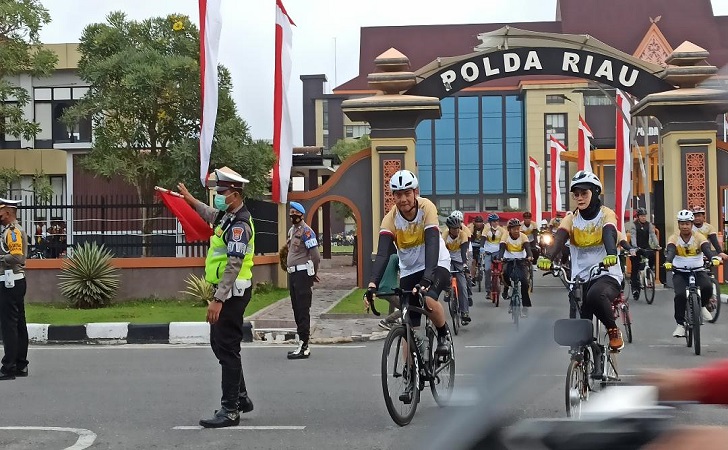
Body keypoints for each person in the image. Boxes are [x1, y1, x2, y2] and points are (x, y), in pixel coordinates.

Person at [177, 167, 256, 428]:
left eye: (222, 193)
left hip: (232, 293)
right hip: (227, 292)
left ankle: (230, 409)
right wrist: (190, 199)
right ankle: (240, 397)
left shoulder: (240, 225)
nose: (218, 197)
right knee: (220, 344)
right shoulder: (228, 217)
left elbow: (234, 263)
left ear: (234, 194)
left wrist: (219, 299)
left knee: (227, 347)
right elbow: (210, 214)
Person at [366, 170, 452, 368]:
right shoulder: (390, 219)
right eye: (398, 194)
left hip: (437, 262)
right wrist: (372, 285)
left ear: (415, 192)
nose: (403, 199)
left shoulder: (426, 207)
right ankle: (409, 375)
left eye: (407, 193)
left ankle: (442, 335)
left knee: (429, 298)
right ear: (393, 196)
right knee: (408, 324)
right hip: (409, 269)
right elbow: (382, 255)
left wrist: (427, 278)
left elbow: (431, 243)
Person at [537, 170, 625, 351]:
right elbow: (560, 238)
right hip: (579, 278)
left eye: (584, 193)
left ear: (595, 192)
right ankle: (587, 358)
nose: (580, 198)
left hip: (606, 274)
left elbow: (609, 232)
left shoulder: (606, 214)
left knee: (595, 296)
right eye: (576, 194)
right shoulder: (571, 219)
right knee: (578, 323)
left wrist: (610, 254)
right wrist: (547, 257)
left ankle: (613, 330)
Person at [663, 209, 721, 338]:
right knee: (680, 295)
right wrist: (668, 261)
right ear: (678, 224)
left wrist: (713, 258)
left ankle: (702, 305)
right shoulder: (674, 237)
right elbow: (671, 251)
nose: (685, 226)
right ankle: (680, 325)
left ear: (691, 224)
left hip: (698, 270)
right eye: (682, 223)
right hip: (680, 272)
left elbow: (706, 248)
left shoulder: (698, 236)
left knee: (707, 287)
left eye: (687, 223)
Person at [285, 201, 321, 360]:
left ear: (301, 214)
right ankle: (301, 342)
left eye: (295, 212)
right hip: (293, 274)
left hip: (302, 274)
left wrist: (313, 272)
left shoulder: (307, 232)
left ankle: (304, 345)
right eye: (291, 212)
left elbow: (315, 256)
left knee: (303, 309)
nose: (292, 215)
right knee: (296, 309)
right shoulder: (292, 231)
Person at [0, 198, 28, 381]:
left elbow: (17, 256)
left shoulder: (13, 232)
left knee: (9, 325)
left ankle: (8, 367)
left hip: (10, 282)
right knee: (18, 324)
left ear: (8, 213)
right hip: (16, 282)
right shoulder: (10, 231)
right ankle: (20, 364)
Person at [497, 218, 533, 317]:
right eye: (514, 229)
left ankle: (525, 306)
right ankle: (506, 288)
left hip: (521, 261)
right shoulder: (505, 236)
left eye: (518, 228)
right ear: (509, 230)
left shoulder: (523, 236)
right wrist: (500, 257)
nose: (517, 231)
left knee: (525, 282)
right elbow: (502, 248)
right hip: (508, 260)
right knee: (504, 275)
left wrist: (529, 256)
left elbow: (528, 248)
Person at [443, 213, 472, 324]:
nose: (456, 231)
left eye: (457, 228)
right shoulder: (444, 236)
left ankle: (465, 312)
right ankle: (447, 289)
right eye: (453, 229)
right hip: (447, 258)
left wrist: (465, 264)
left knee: (462, 286)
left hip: (460, 259)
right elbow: (442, 251)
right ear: (449, 228)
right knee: (445, 275)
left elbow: (464, 251)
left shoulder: (463, 234)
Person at [628, 207, 660, 300]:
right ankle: (635, 289)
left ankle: (650, 272)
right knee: (635, 267)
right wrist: (634, 247)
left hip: (645, 246)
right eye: (642, 216)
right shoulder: (634, 225)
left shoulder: (648, 225)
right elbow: (633, 236)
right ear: (638, 217)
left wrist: (657, 245)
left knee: (652, 255)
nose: (644, 218)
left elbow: (653, 234)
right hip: (636, 247)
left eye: (645, 216)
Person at [482, 213, 507, 300]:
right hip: (488, 251)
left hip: (498, 251)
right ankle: (488, 291)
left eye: (496, 221)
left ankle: (500, 282)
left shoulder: (502, 230)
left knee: (501, 269)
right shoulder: (486, 229)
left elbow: (503, 242)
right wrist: (482, 247)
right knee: (487, 270)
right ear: (490, 222)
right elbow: (483, 239)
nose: (495, 223)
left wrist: (501, 255)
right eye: (493, 221)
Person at [468, 215, 485, 283]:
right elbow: (469, 237)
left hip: (483, 245)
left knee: (483, 259)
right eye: (477, 222)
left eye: (480, 222)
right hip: (474, 245)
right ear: (474, 222)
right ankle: (472, 277)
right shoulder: (471, 227)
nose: (478, 224)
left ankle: (482, 266)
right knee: (473, 261)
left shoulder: (485, 227)